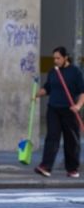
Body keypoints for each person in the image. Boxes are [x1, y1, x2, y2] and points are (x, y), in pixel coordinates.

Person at [35, 46, 84, 178]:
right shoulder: (53, 72)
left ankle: (72, 169)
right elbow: (48, 88)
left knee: (71, 140)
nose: (55, 61)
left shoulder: (75, 72)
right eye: (54, 58)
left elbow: (82, 92)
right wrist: (38, 94)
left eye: (58, 58)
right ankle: (46, 166)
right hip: (53, 109)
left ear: (65, 58)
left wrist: (78, 106)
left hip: (70, 110)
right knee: (52, 137)